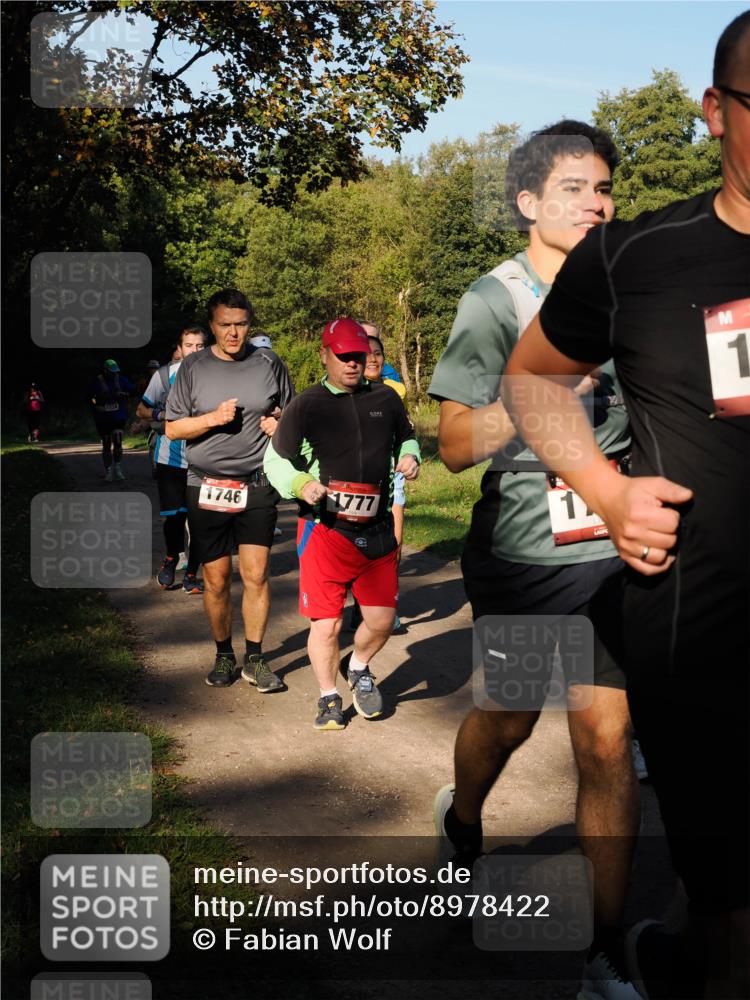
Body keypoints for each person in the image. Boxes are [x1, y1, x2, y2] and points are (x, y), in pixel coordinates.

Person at [502, 15, 750, 997]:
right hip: (706, 630)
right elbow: (532, 379)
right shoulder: (640, 258)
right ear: (716, 110)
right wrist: (606, 491)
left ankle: (669, 951)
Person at [428, 120, 641, 998]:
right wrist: (536, 394)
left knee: (606, 739)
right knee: (509, 720)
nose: (595, 205)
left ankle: (601, 955)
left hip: (617, 542)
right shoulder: (496, 299)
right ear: (527, 203)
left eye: (603, 189)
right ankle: (465, 813)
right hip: (524, 550)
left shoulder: (634, 286)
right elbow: (449, 445)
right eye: (573, 191)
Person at [264, 318, 420, 731]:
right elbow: (275, 459)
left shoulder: (386, 398)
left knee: (383, 620)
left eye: (359, 356)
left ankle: (360, 665)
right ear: (325, 355)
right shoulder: (308, 404)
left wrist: (410, 457)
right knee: (328, 622)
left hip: (377, 528)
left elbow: (406, 436)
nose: (353, 364)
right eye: (344, 356)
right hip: (325, 529)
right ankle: (328, 696)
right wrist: (301, 483)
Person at [165, 289, 294, 691]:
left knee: (256, 575)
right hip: (205, 485)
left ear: (250, 323)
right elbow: (173, 428)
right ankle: (224, 654)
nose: (234, 333)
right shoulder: (193, 367)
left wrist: (281, 423)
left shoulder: (269, 362)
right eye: (225, 325)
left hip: (257, 483)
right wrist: (210, 419)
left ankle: (254, 659)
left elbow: (292, 413)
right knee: (217, 580)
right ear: (212, 325)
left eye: (241, 324)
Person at [136, 326, 209, 595]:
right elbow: (141, 409)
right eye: (189, 345)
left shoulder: (217, 375)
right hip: (170, 459)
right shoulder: (164, 376)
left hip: (203, 460)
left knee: (200, 520)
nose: (194, 351)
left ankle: (191, 575)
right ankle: (170, 559)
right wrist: (161, 413)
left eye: (200, 346)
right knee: (175, 518)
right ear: (180, 348)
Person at [88, 359, 135, 482]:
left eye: (115, 371)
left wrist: (125, 394)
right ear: (105, 370)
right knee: (107, 442)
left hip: (118, 415)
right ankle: (108, 470)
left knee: (118, 438)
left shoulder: (120, 380)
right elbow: (90, 397)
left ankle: (117, 467)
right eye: (111, 371)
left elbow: (132, 390)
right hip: (103, 417)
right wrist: (95, 405)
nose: (114, 374)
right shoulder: (97, 382)